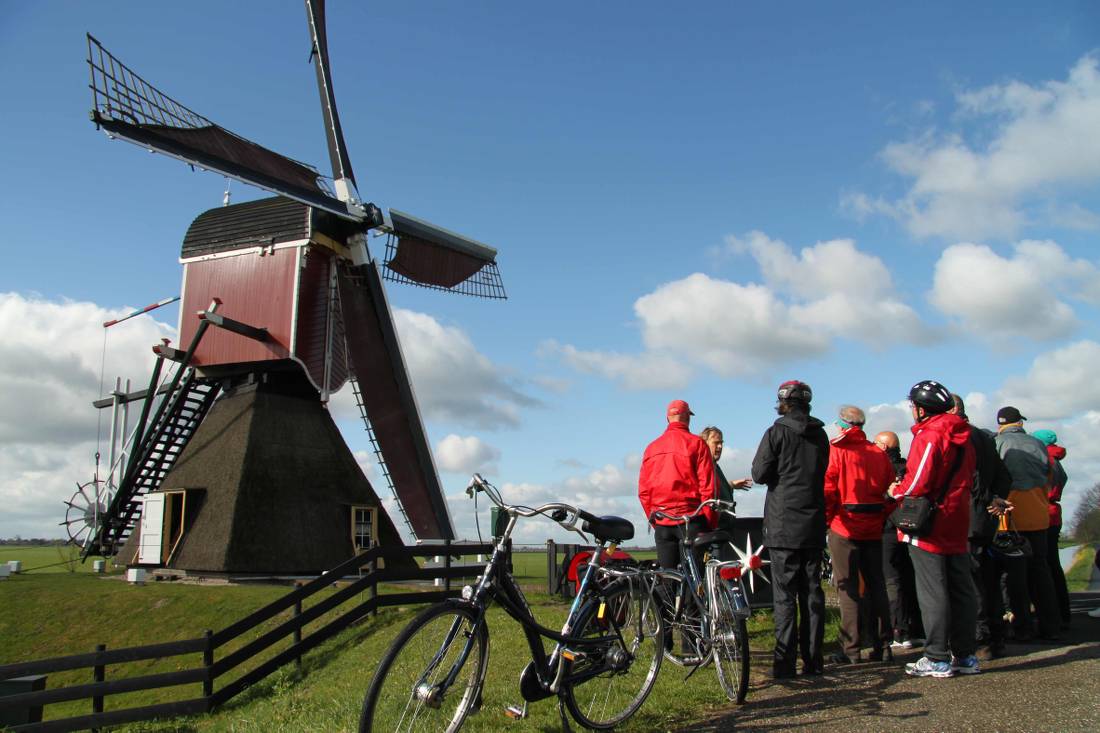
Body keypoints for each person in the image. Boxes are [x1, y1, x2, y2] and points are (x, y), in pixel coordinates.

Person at [891, 380, 979, 678]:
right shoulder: (964, 435)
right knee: (961, 587)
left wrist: (898, 491)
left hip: (931, 520)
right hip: (957, 514)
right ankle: (965, 654)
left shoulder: (931, 433)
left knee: (932, 589)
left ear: (920, 409)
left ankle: (936, 656)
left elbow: (920, 479)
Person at [751, 380, 830, 678]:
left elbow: (759, 473)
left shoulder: (776, 433)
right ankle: (813, 661)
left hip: (783, 523)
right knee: (812, 593)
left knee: (784, 596)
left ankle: (784, 665)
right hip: (812, 523)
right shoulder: (821, 435)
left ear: (782, 402)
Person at [824, 405, 897, 664]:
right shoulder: (878, 454)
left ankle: (851, 650)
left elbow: (829, 490)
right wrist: (883, 514)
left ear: (842, 425)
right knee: (877, 586)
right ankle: (884, 645)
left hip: (844, 527)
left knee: (848, 589)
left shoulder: (836, 451)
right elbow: (892, 490)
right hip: (873, 527)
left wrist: (828, 519)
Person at [950, 394, 1013, 660]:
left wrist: (987, 499)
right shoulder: (984, 438)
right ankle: (996, 636)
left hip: (966, 518)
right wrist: (996, 500)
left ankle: (980, 638)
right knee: (987, 578)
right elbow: (1004, 476)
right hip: (984, 519)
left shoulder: (961, 437)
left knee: (969, 581)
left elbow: (971, 479)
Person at [994, 406, 1061, 641]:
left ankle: (1023, 628)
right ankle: (1051, 626)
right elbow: (1055, 477)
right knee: (1041, 571)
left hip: (1010, 518)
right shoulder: (1038, 445)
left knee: (1016, 576)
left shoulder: (997, 444)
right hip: (1040, 514)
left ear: (1000, 424)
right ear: (1020, 423)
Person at [638, 399, 716, 570]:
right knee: (695, 581)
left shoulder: (651, 448)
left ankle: (670, 597)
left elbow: (644, 493)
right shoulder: (697, 444)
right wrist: (710, 522)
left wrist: (657, 522)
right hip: (691, 520)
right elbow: (708, 488)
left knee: (668, 580)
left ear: (668, 418)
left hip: (663, 523)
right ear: (688, 417)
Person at [874, 431, 925, 649]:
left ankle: (899, 629)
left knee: (891, 580)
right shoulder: (908, 469)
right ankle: (919, 629)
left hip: (887, 529)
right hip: (911, 528)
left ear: (884, 447)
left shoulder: (879, 469)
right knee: (912, 576)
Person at [1033, 428, 1072, 628]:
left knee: (1045, 565)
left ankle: (1053, 613)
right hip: (1054, 513)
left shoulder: (1046, 460)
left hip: (1044, 512)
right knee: (1053, 564)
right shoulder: (1056, 461)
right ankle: (1062, 610)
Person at [700, 426, 752, 560]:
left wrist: (731, 485)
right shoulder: (704, 466)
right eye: (716, 443)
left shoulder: (715, 466)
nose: (720, 447)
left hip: (724, 531)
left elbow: (715, 488)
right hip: (714, 532)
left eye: (722, 443)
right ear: (704, 443)